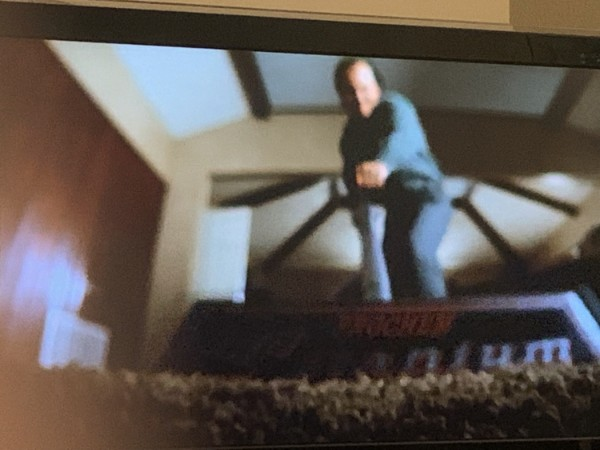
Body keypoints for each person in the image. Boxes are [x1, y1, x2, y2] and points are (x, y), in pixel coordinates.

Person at [334, 57, 452, 302]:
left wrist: (384, 164)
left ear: (378, 88)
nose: (358, 97)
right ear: (341, 97)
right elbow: (351, 177)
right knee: (392, 258)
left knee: (418, 248)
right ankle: (401, 321)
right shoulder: (349, 137)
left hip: (427, 199)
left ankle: (438, 317)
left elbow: (402, 137)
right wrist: (357, 200)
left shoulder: (395, 106)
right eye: (350, 91)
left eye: (364, 89)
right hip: (396, 208)